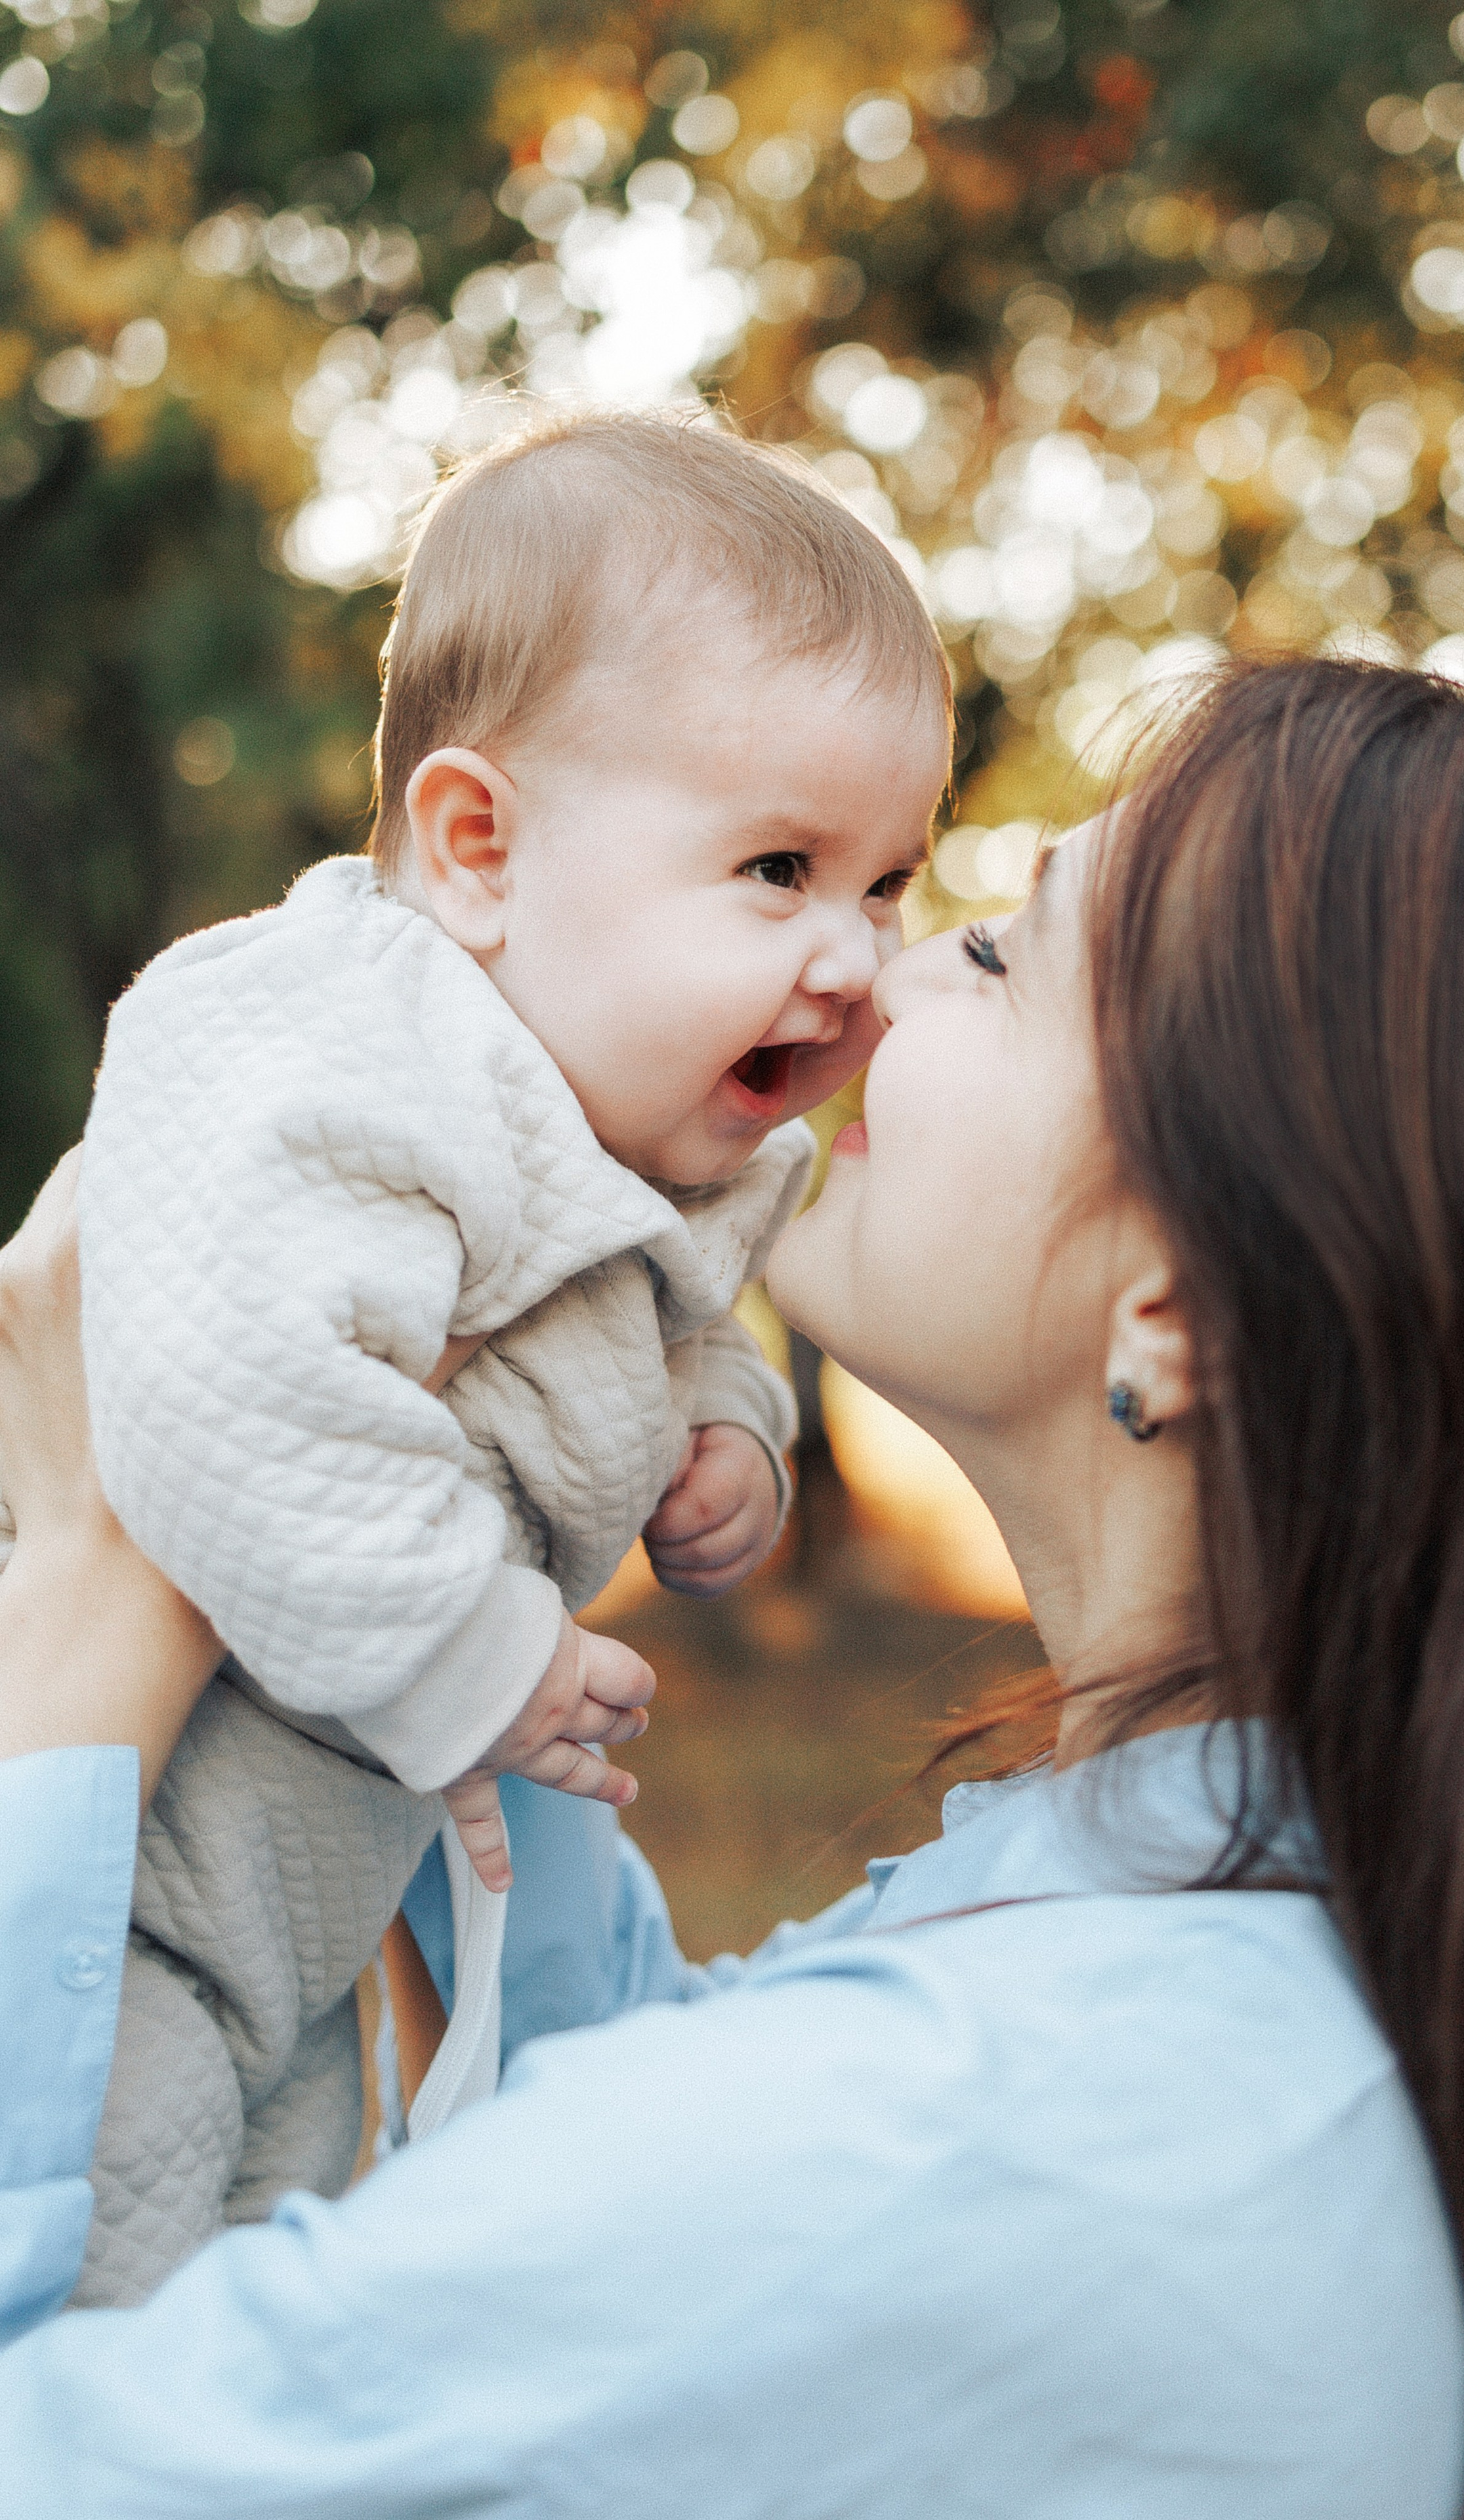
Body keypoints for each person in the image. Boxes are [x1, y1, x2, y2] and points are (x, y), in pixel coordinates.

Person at [3, 654, 1464, 2514]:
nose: (878, 970)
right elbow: (634, 2129)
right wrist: (454, 1551)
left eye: (1002, 953)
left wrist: (88, 1619)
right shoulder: (1221, 1929)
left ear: (1180, 1308)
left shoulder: (976, 2126)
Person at [13, 409, 953, 2307]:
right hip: (106, 1844)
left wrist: (732, 1443)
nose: (855, 958)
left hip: (297, 1887)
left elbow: (674, 1320)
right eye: (779, 868)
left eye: (889, 885)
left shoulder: (631, 1133)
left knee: (258, 2272)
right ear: (477, 849)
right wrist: (478, 1657)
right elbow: (230, 1403)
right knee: (98, 2289)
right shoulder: (329, 1049)